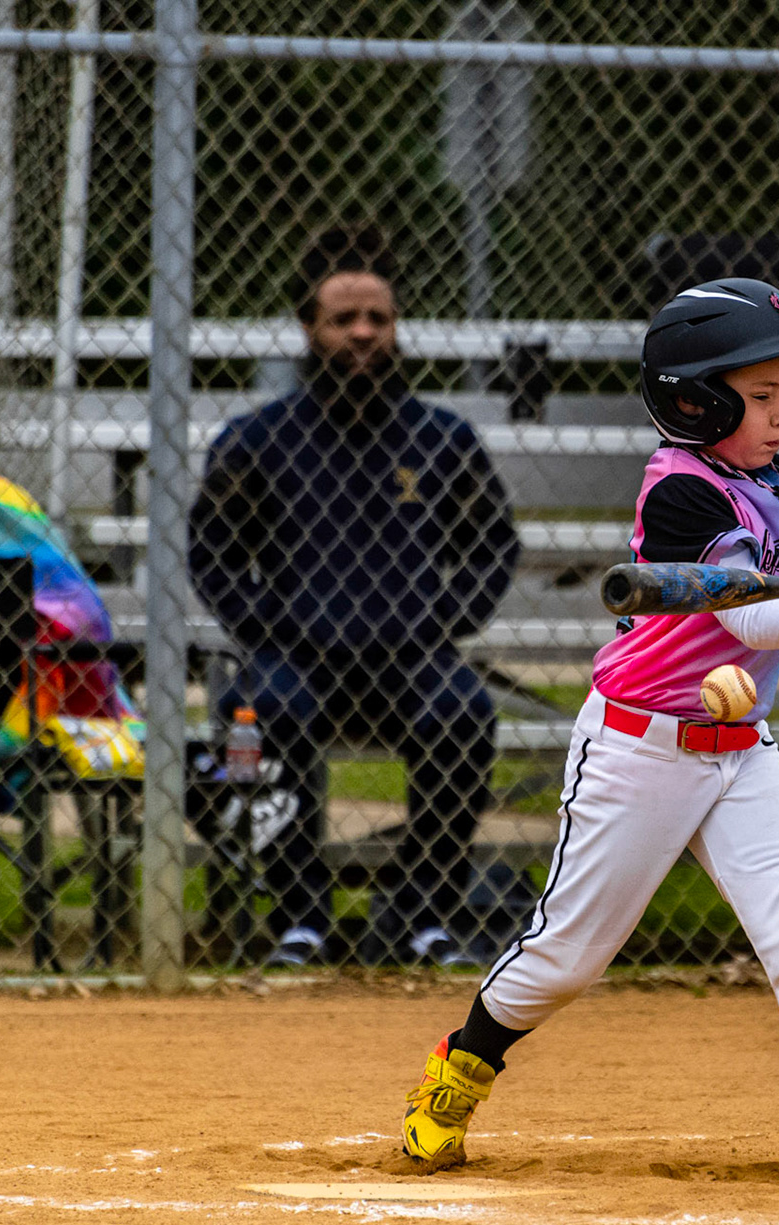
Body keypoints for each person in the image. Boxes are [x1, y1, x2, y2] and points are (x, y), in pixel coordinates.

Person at [398, 278, 779, 1183]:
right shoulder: (682, 494)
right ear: (696, 400)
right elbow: (755, 622)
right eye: (760, 397)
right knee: (567, 958)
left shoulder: (771, 474)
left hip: (740, 752)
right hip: (637, 751)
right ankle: (457, 1071)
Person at [188, 225, 521, 968]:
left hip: (411, 656)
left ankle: (420, 916)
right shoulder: (257, 440)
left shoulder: (441, 439)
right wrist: (263, 627)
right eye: (344, 320)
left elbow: (493, 544)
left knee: (463, 712)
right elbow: (210, 548)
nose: (364, 333)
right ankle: (302, 919)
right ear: (310, 329)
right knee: (259, 714)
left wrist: (446, 619)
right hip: (297, 658)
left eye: (378, 318)